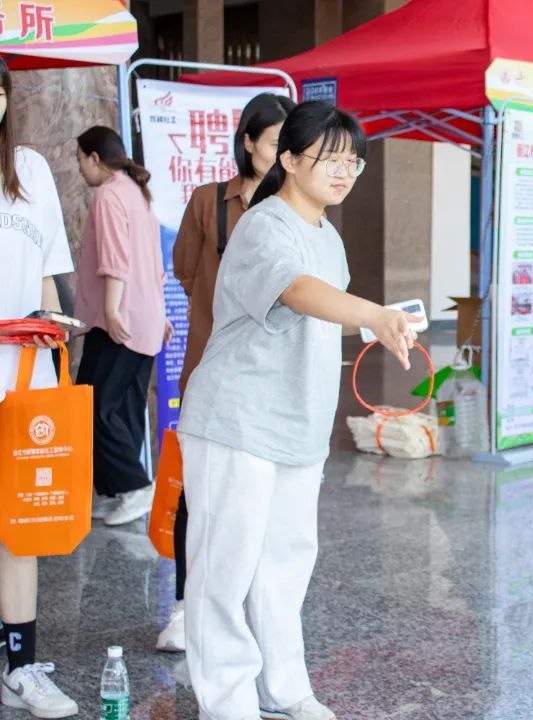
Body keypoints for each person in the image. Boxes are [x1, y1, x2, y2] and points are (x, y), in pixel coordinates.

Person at [177, 101, 417, 720]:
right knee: (225, 569)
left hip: (297, 424)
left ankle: (283, 690)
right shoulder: (265, 225)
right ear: (287, 158)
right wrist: (373, 313)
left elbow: (322, 311)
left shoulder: (327, 236)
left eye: (353, 162)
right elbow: (297, 291)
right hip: (238, 420)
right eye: (329, 159)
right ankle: (227, 703)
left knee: (285, 565)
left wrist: (380, 323)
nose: (343, 172)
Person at [157, 92, 296, 655]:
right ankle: (185, 606)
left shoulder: (298, 206)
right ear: (247, 142)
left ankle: (249, 612)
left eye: (292, 144)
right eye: (275, 142)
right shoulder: (208, 202)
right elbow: (187, 272)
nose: (284, 154)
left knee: (264, 498)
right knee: (197, 491)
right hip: (213, 366)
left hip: (274, 375)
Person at [0, 57, 79, 717]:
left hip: (24, 376)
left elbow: (50, 277)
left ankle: (20, 668)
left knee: (19, 528)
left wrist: (53, 364)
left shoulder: (29, 170)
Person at [74, 127, 170, 525]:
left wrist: (112, 311)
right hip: (142, 317)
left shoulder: (110, 193)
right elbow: (152, 261)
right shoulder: (136, 191)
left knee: (95, 406)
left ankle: (134, 488)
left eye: (80, 159)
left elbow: (116, 260)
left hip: (120, 318)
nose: (80, 168)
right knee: (122, 406)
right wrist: (159, 313)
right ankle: (115, 490)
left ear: (95, 158)